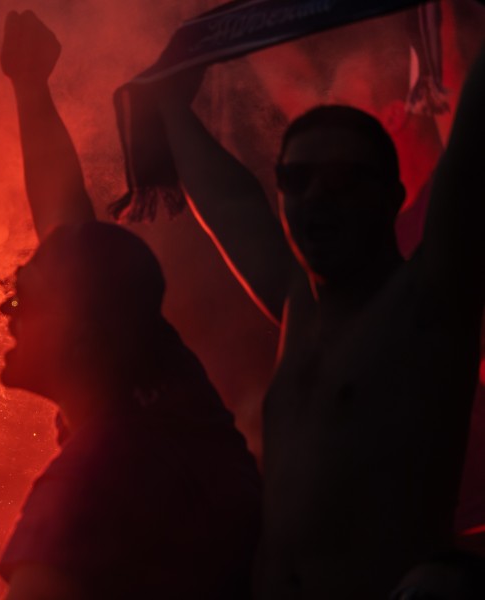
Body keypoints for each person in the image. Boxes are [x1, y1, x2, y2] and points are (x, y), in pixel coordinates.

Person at [0, 10, 261, 600]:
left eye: (27, 296)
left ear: (82, 337)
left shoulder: (94, 479)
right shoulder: (154, 387)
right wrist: (29, 86)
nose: (5, 311)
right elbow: (68, 229)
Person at [149, 24, 485, 600]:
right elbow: (230, 202)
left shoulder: (427, 302)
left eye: (346, 180)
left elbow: (475, 154)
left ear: (393, 197)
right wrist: (166, 102)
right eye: (298, 180)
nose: (319, 198)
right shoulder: (298, 305)